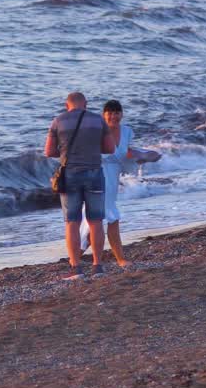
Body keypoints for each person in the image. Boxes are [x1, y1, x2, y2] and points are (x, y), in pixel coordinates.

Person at [78, 100, 161, 267]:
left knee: (99, 220)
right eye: (109, 112)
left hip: (112, 179)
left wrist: (143, 156)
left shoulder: (126, 131)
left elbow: (127, 153)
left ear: (121, 114)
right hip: (96, 179)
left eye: (116, 112)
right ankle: (118, 259)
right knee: (106, 219)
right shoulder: (96, 132)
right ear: (104, 115)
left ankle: (77, 258)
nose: (113, 116)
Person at [45, 91, 115, 279]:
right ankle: (97, 266)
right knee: (96, 221)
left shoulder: (58, 121)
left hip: (70, 175)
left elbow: (49, 151)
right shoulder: (98, 120)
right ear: (86, 104)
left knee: (72, 222)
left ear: (67, 105)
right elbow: (110, 148)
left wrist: (65, 150)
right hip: (94, 172)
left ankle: (76, 268)